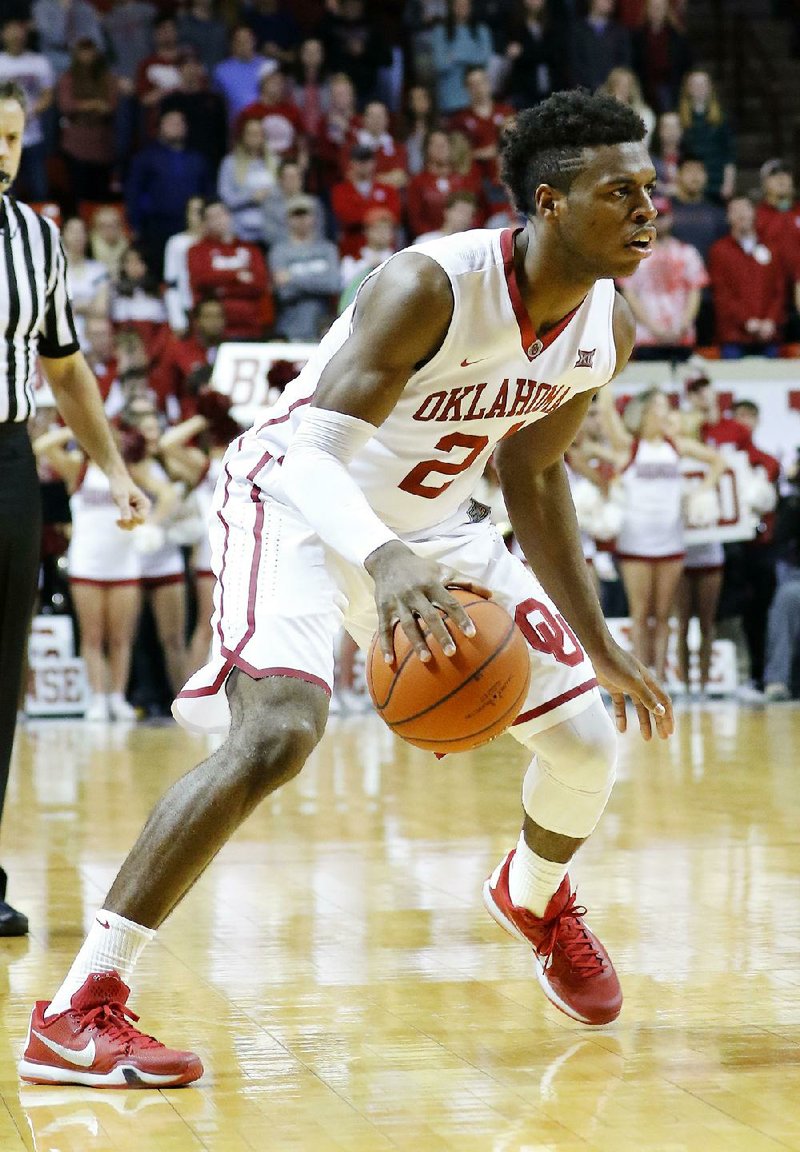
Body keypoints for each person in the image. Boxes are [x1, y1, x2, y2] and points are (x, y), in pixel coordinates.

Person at [20, 89, 674, 1087]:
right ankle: (80, 1007)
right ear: (547, 202)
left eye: (651, 190)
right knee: (278, 732)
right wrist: (380, 558)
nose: (646, 212)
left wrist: (600, 643)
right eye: (619, 191)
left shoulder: (604, 330)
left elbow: (532, 476)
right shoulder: (430, 285)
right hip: (294, 500)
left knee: (586, 743)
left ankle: (534, 895)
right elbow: (312, 460)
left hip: (432, 528)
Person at [0, 81, 148, 936]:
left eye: (13, 137)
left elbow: (64, 370)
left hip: (8, 460)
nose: (3, 151)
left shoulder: (39, 240)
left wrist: (115, 468)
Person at [597, 384, 723, 681]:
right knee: (640, 614)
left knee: (664, 615)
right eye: (660, 406)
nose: (665, 411)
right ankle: (640, 677)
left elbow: (717, 461)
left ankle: (661, 681)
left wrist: (700, 492)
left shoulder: (676, 445)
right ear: (645, 411)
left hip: (671, 539)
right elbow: (606, 415)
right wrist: (605, 379)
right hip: (635, 541)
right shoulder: (630, 446)